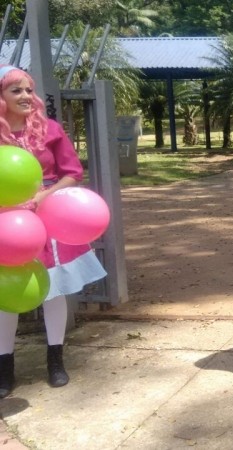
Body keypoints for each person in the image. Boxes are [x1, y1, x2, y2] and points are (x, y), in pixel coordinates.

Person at [0, 65, 107, 397]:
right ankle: (5, 370)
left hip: (48, 218)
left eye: (29, 90)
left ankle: (55, 361)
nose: (25, 96)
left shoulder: (50, 130)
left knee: (53, 291)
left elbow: (72, 172)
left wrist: (41, 196)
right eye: (16, 90)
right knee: (5, 296)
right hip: (7, 224)